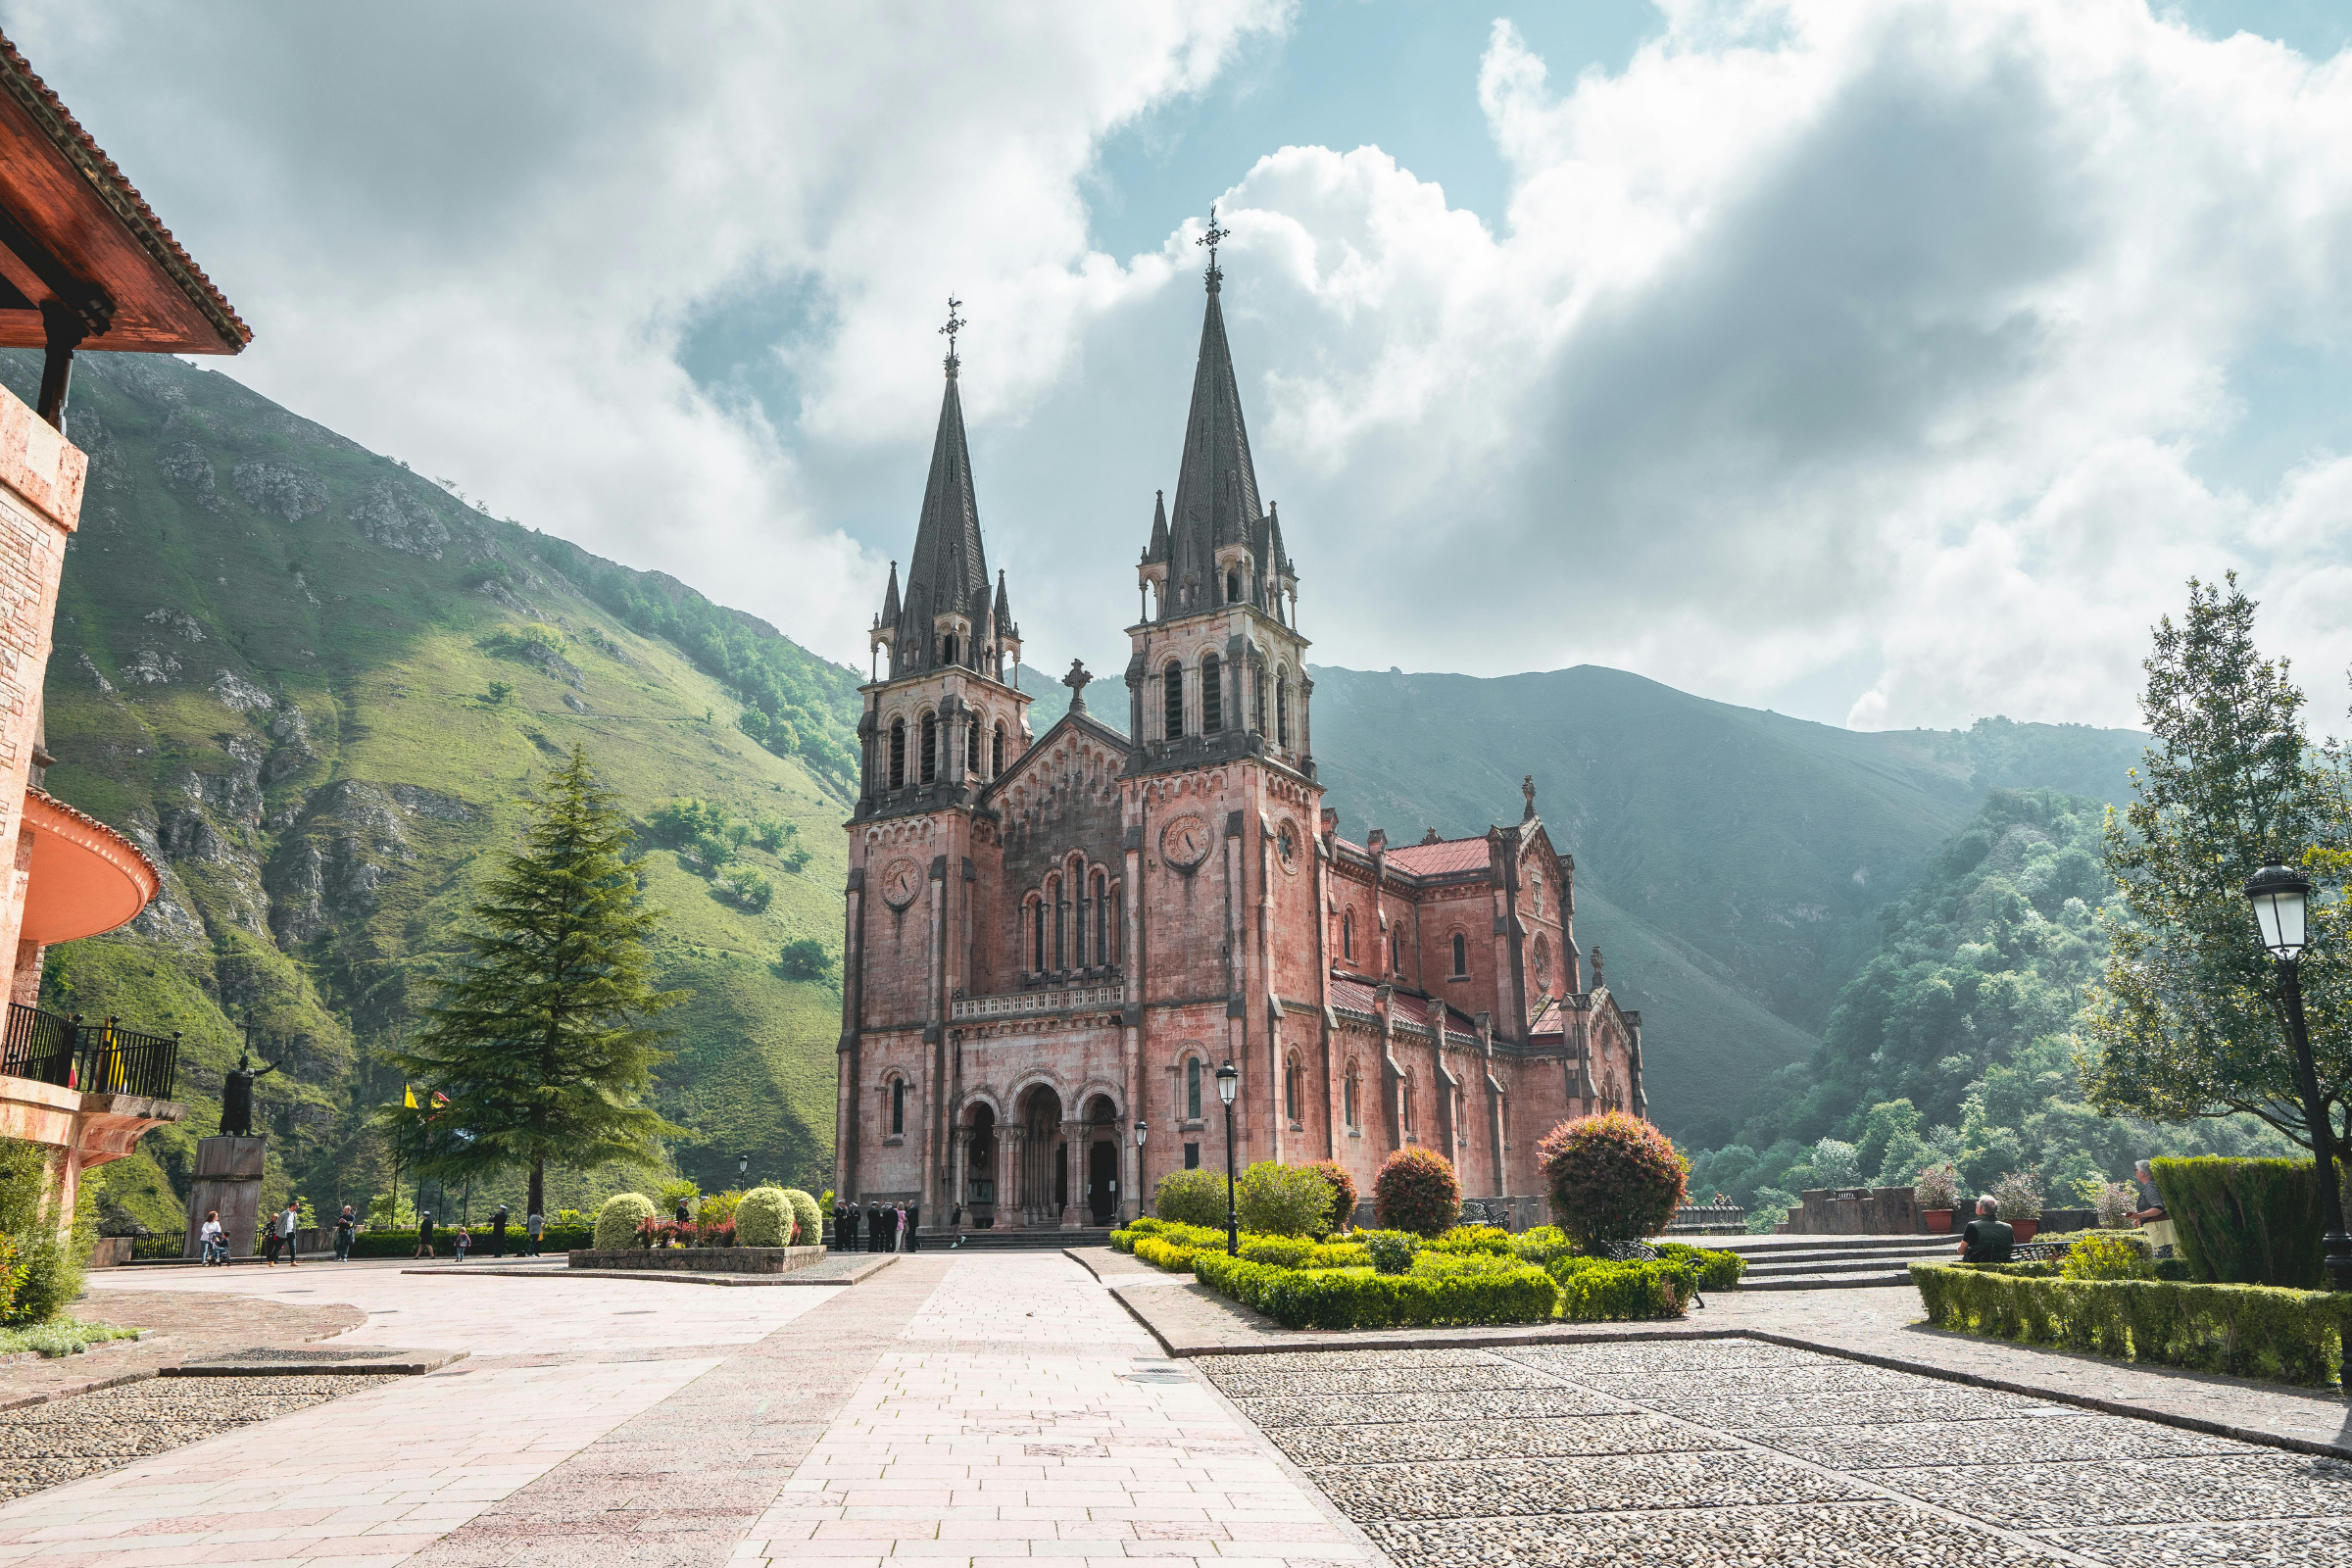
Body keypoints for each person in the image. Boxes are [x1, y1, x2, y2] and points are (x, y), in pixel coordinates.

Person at [2130, 1158, 2177, 1255]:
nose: (2135, 1172)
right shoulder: (2151, 1186)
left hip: (2158, 1228)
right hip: (2158, 1227)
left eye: (2136, 1170)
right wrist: (2141, 1218)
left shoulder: (2150, 1187)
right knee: (2163, 1257)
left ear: (2142, 1173)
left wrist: (2139, 1215)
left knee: (2161, 1257)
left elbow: (2158, 1208)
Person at [1958, 1197, 2014, 1263]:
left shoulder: (1972, 1226)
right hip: (2002, 1263)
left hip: (1977, 1264)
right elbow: (2011, 1247)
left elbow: (1961, 1250)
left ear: (1979, 1208)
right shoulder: (2008, 1227)